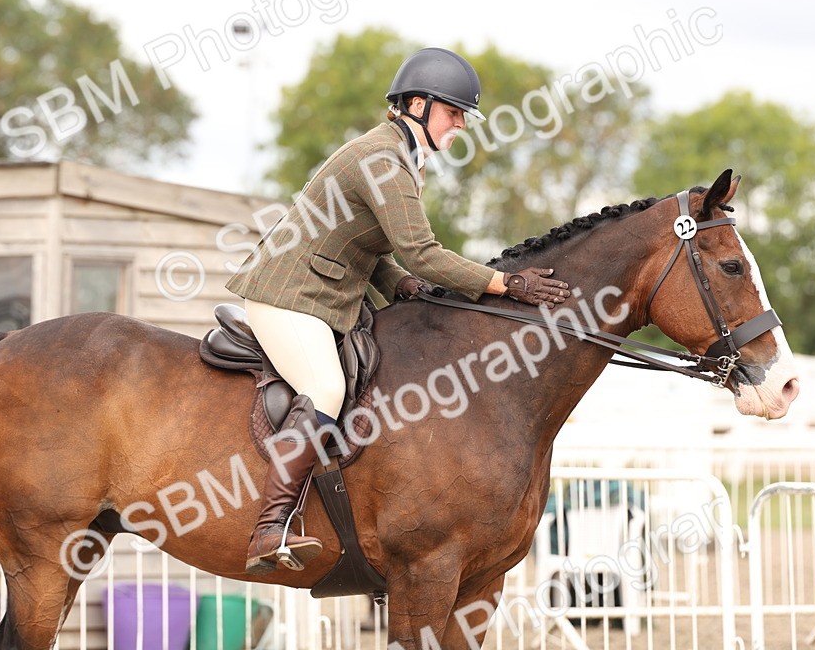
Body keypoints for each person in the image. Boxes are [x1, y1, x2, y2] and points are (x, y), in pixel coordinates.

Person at [226, 47, 572, 574]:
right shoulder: (383, 159)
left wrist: (403, 286)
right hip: (287, 295)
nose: (460, 124)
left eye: (462, 115)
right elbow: (422, 251)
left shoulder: (399, 155)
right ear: (417, 103)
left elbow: (374, 249)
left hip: (327, 294)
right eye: (453, 112)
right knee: (326, 389)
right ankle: (269, 529)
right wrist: (504, 283)